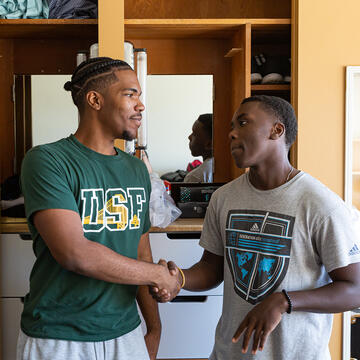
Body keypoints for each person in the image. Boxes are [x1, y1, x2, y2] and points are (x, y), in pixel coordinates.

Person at [152, 95, 360, 359]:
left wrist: (284, 301)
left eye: (243, 123)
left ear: (277, 130)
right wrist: (177, 278)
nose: (231, 134)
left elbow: (355, 289)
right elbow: (211, 269)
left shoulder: (320, 204)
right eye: (231, 127)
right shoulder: (224, 198)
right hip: (230, 352)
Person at [18, 57, 181, 360]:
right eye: (131, 94)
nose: (141, 106)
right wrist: (159, 276)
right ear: (95, 100)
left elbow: (141, 254)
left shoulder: (135, 170)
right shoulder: (47, 161)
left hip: (126, 332)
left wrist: (154, 329)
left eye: (140, 96)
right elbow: (75, 253)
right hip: (58, 336)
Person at [184, 113, 214, 183]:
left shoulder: (194, 178)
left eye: (194, 134)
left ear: (209, 144)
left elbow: (186, 194)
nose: (189, 137)